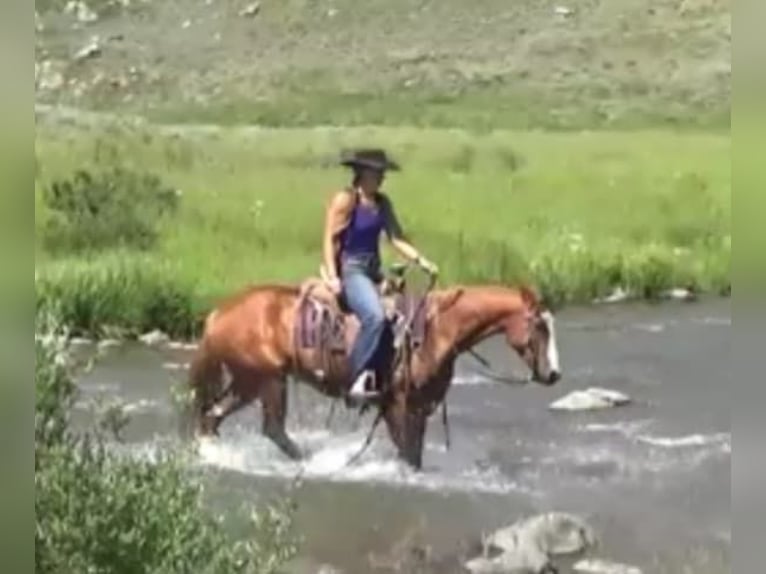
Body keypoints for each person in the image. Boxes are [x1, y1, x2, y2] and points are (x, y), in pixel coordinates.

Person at [322, 148, 438, 400]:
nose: (382, 178)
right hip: (351, 270)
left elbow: (396, 237)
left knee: (400, 318)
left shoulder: (382, 203)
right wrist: (333, 276)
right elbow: (330, 239)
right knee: (374, 317)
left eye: (382, 173)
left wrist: (421, 261)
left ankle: (380, 377)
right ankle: (351, 378)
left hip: (373, 272)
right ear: (362, 173)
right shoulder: (346, 199)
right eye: (377, 173)